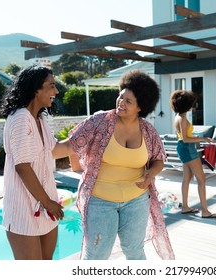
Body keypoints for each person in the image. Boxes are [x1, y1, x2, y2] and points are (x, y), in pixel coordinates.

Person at [68, 70, 174, 260]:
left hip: (137, 201)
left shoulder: (148, 131)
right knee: (96, 255)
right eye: (120, 97)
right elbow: (71, 144)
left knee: (134, 250)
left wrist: (150, 173)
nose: (120, 103)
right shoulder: (99, 122)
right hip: (100, 201)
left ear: (140, 107)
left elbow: (159, 159)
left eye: (128, 101)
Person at [0, 65, 65, 259]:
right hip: (24, 210)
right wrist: (48, 203)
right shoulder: (20, 119)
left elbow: (56, 149)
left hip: (46, 207)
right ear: (36, 89)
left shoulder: (40, 119)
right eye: (51, 86)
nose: (56, 91)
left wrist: (87, 133)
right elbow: (23, 167)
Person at [170, 89, 216, 219]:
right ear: (187, 105)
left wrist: (198, 137)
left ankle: (186, 207)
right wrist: (204, 139)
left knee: (186, 178)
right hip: (188, 147)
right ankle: (205, 211)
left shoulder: (178, 117)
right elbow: (186, 138)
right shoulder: (183, 119)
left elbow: (182, 137)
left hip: (182, 148)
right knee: (201, 179)